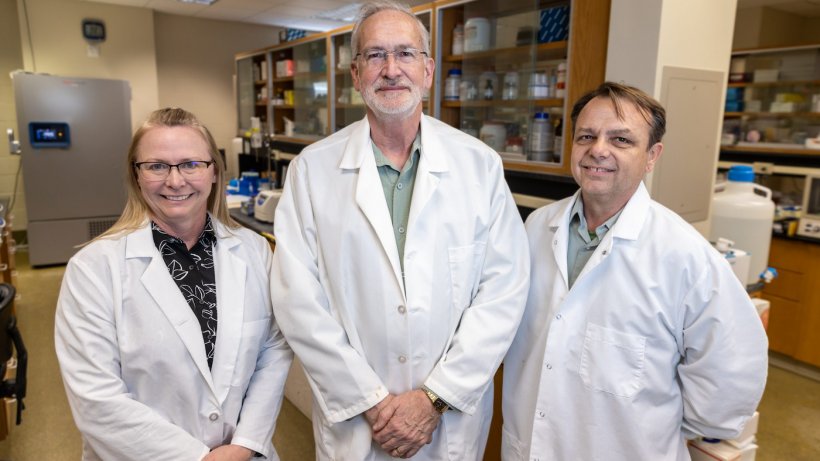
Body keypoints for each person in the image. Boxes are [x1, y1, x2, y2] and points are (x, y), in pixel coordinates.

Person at [269, 1, 530, 459]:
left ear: (428, 70)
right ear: (355, 74)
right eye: (375, 55)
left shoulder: (479, 165)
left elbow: (503, 291)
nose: (391, 70)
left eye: (406, 54)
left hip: (446, 422)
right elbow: (297, 298)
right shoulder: (313, 170)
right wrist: (370, 402)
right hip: (357, 423)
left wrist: (434, 399)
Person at [501, 82, 769, 460]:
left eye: (621, 140)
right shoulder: (536, 228)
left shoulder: (684, 255)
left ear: (652, 155)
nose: (598, 149)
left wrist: (664, 427)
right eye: (587, 136)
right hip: (527, 444)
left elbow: (729, 376)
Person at [55, 108, 292, 461]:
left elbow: (273, 351)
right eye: (157, 166)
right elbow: (96, 399)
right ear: (136, 176)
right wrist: (199, 458)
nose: (176, 181)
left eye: (191, 164)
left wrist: (245, 445)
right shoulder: (93, 269)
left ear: (214, 172)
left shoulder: (254, 250)